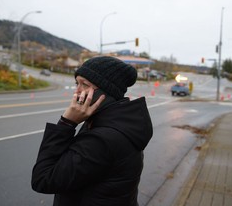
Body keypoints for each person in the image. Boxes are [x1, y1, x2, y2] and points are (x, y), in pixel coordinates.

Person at [31, 56, 153, 206]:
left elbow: (43, 179)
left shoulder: (102, 140)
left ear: (105, 92)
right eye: (77, 83)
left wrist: (66, 123)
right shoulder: (116, 122)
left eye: (85, 84)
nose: (77, 92)